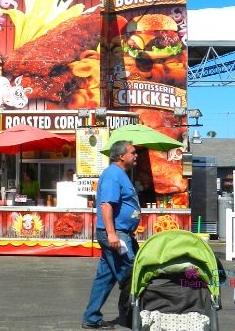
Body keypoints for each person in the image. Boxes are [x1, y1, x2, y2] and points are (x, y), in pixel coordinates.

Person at [82, 141, 140, 330]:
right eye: (133, 152)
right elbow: (106, 205)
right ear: (121, 156)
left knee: (105, 277)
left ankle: (91, 317)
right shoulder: (113, 174)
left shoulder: (120, 174)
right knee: (132, 275)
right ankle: (136, 317)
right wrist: (112, 234)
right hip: (115, 235)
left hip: (120, 233)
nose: (136, 155)